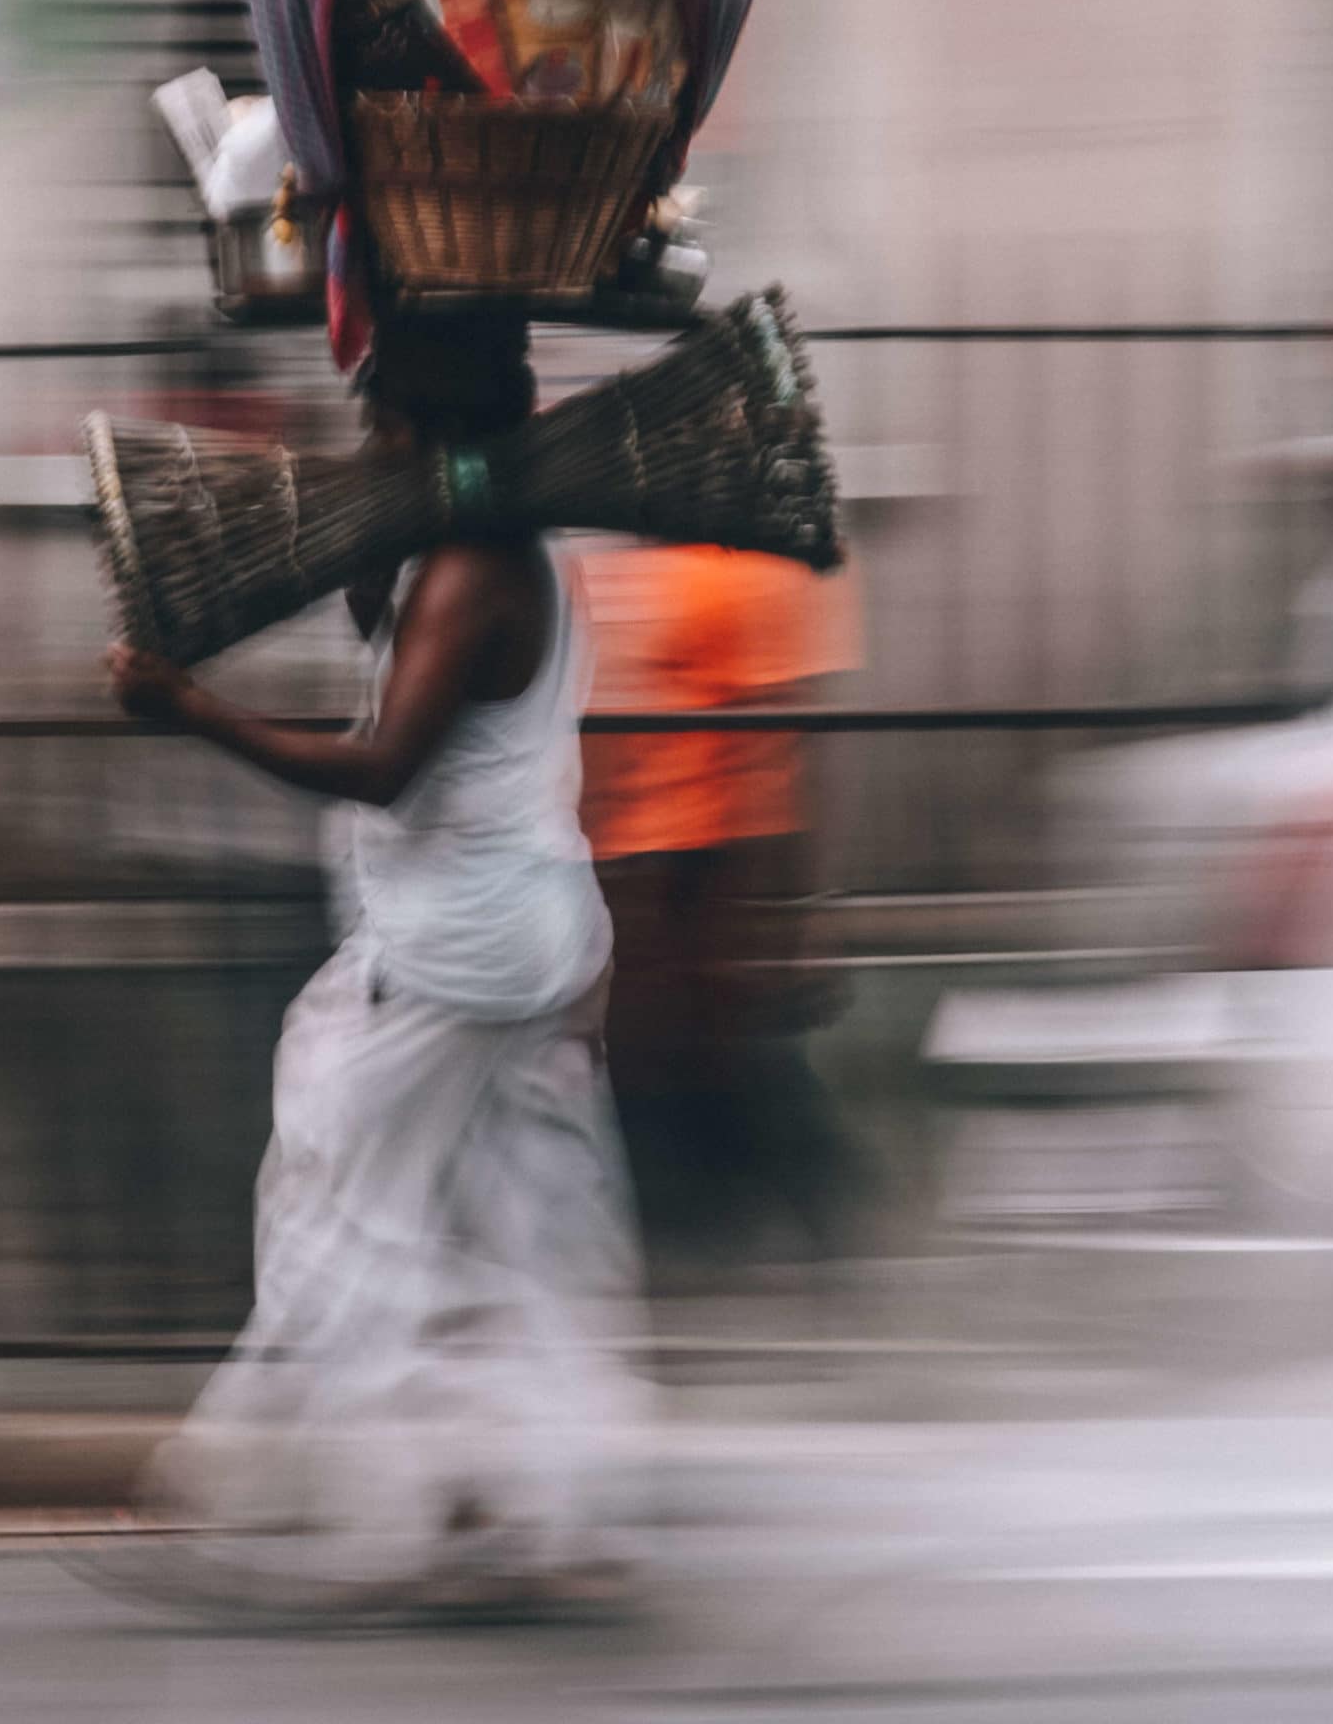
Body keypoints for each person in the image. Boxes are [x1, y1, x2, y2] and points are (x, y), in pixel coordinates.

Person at [104, 303, 645, 1613]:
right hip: (529, 939)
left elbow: (386, 769)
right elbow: (444, 710)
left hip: (454, 951)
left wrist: (189, 710)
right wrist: (367, 578)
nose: (359, 437)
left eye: (373, 419)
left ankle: (351, 1516)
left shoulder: (472, 574)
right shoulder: (497, 553)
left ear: (415, 427)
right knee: (517, 1222)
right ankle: (541, 1511)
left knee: (341, 1204)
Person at [577, 541, 868, 1261]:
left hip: (703, 868)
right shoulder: (612, 567)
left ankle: (824, 1236)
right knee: (683, 1071)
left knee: (731, 1065)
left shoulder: (748, 569)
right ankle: (756, 1241)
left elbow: (780, 745)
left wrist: (789, 909)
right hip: (633, 869)